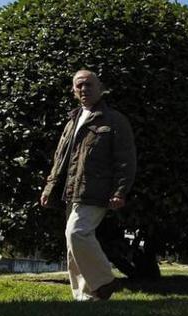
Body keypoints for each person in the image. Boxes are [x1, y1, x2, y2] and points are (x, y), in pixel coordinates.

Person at [40, 69, 136, 301]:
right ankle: (86, 297)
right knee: (72, 244)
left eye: (89, 84)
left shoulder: (115, 120)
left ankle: (104, 281)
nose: (84, 89)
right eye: (78, 85)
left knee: (77, 233)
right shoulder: (72, 121)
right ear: (74, 91)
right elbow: (59, 160)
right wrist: (49, 188)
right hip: (71, 191)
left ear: (100, 87)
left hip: (97, 191)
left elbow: (126, 160)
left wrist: (119, 191)